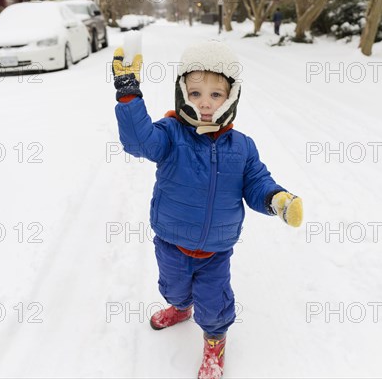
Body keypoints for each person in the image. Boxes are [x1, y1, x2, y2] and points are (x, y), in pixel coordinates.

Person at [112, 41, 303, 379]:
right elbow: (138, 142)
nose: (204, 103)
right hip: (171, 242)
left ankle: (215, 344)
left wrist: (277, 200)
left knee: (215, 305)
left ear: (232, 97)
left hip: (216, 251)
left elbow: (256, 182)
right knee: (173, 289)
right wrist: (129, 95)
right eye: (196, 92)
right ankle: (180, 308)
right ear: (182, 91)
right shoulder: (171, 135)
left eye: (216, 95)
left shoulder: (242, 146)